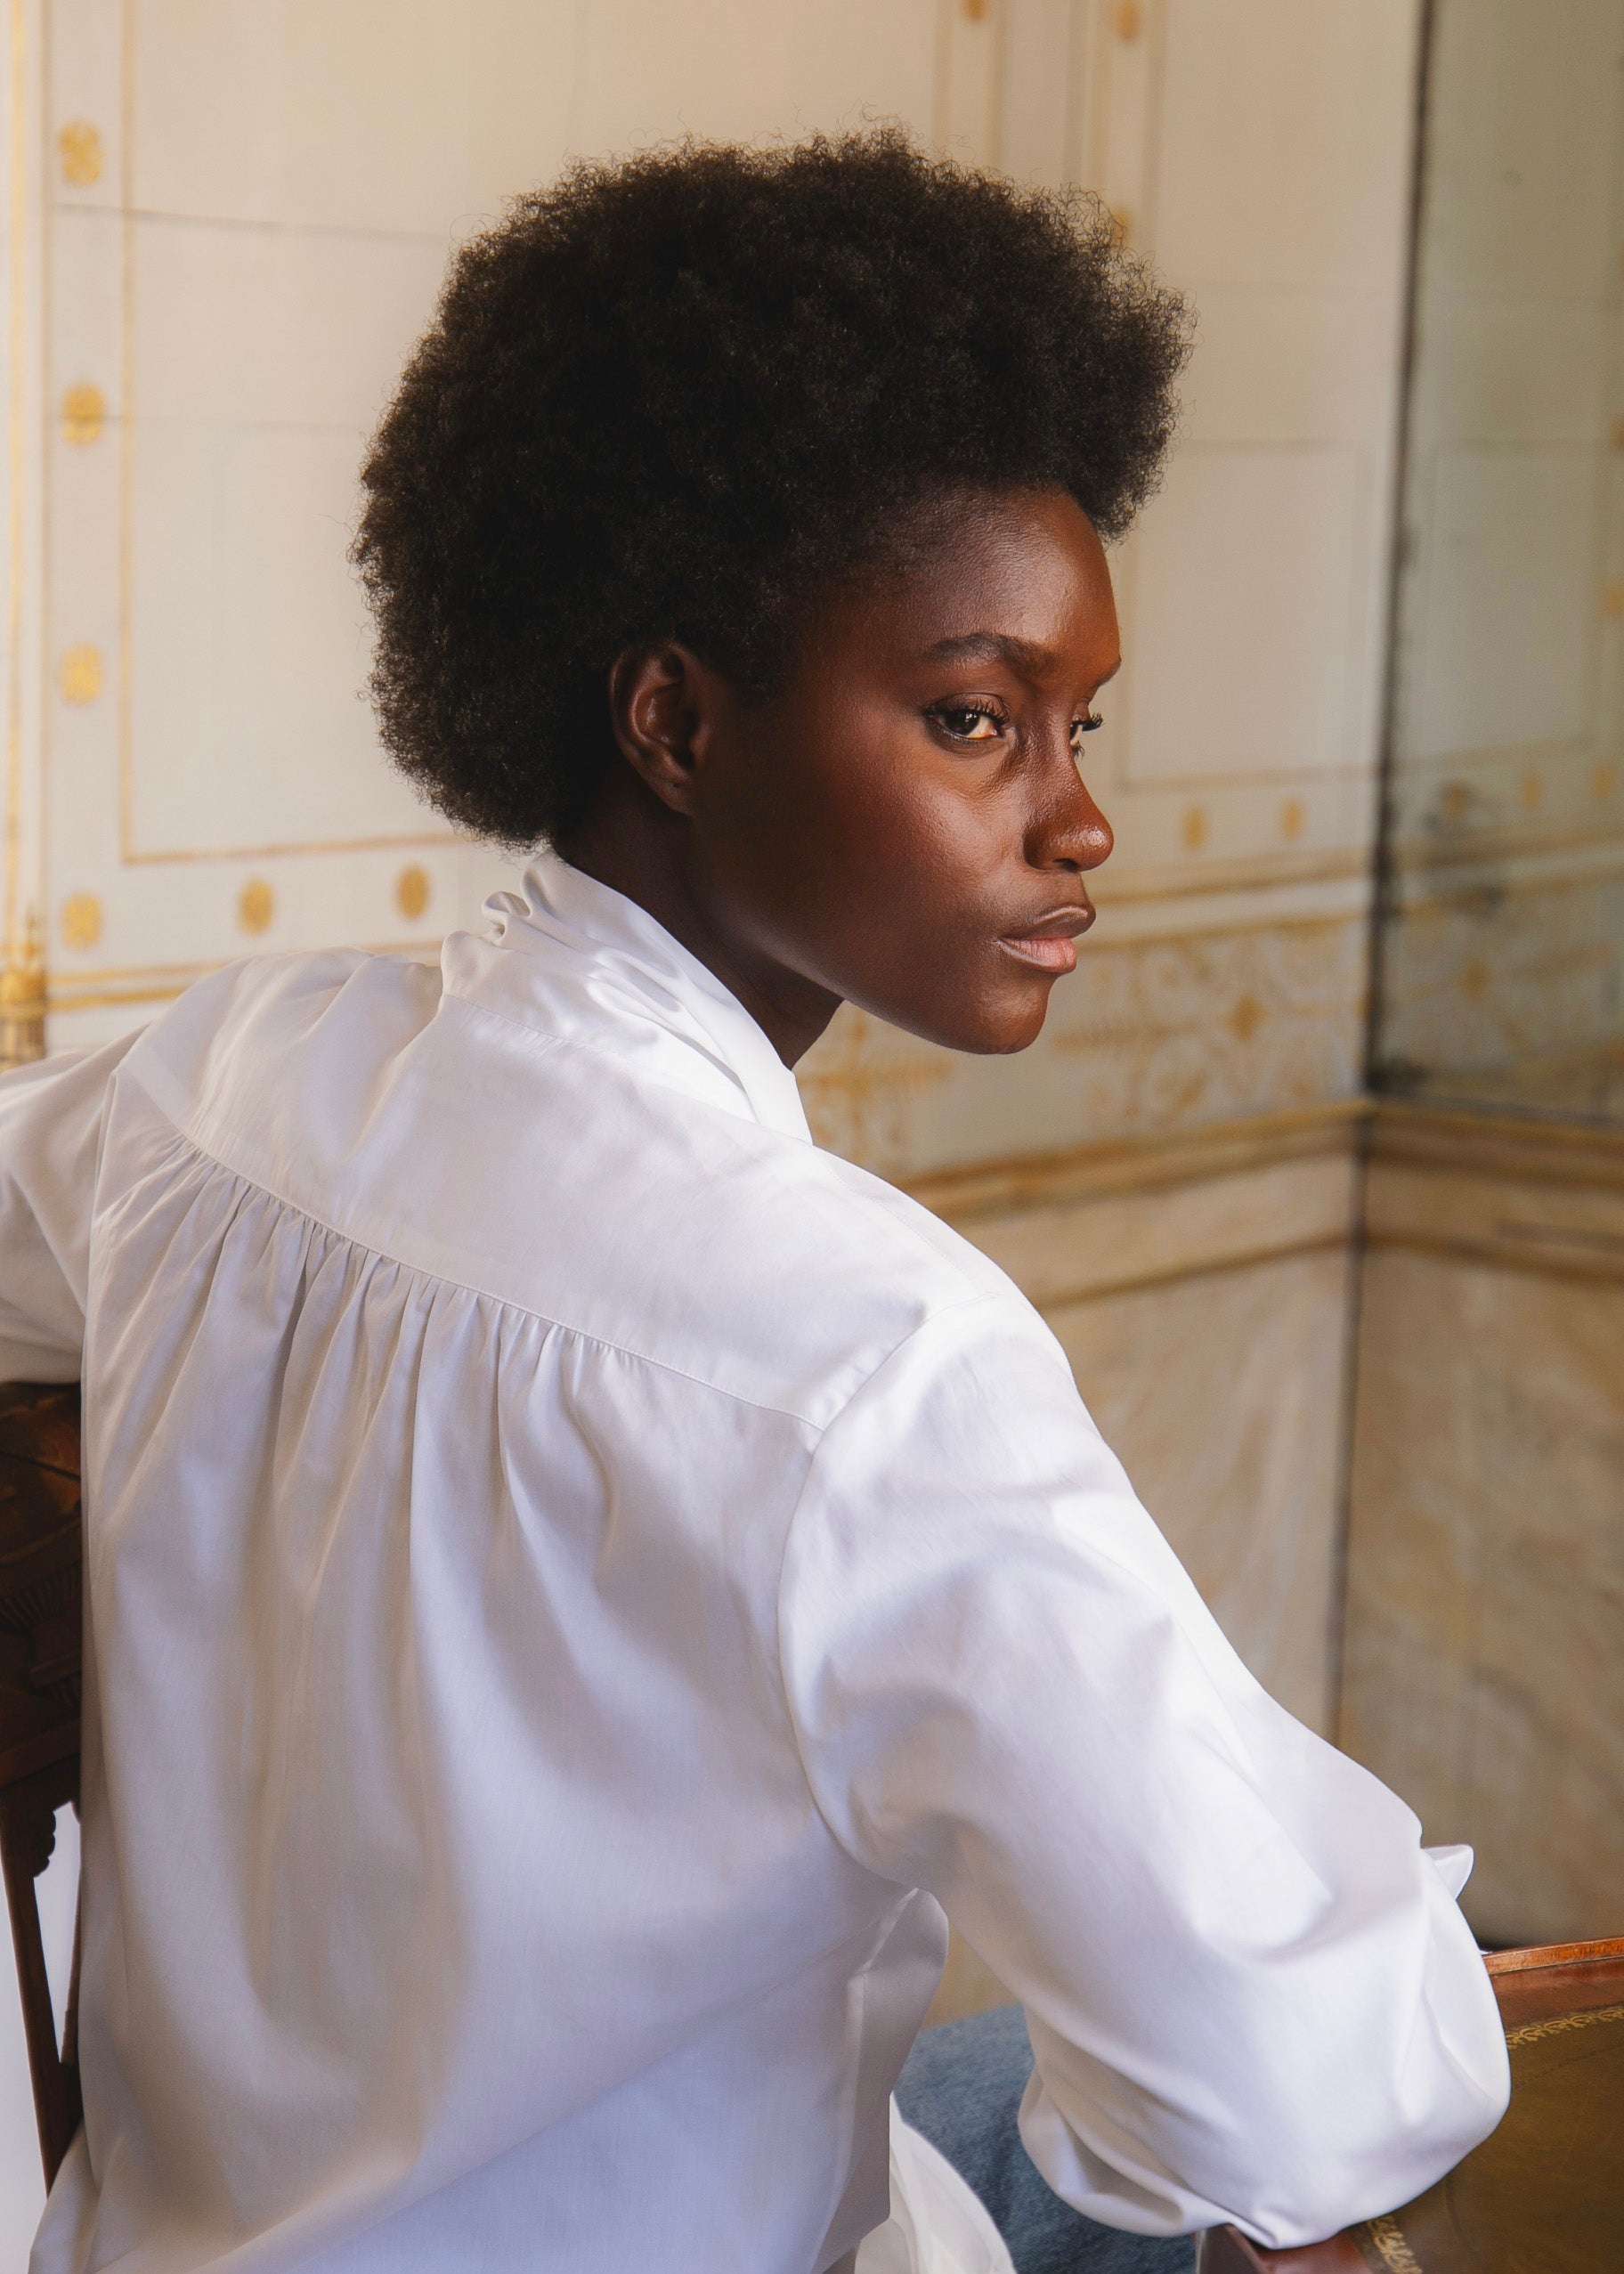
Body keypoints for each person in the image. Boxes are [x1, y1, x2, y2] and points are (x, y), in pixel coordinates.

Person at [2, 134, 1507, 2274]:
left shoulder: (225, 1084)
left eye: (1084, 725)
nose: (1082, 820)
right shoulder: (866, 1362)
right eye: (976, 717)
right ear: (679, 718)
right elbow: (1290, 2083)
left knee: (976, 2107)